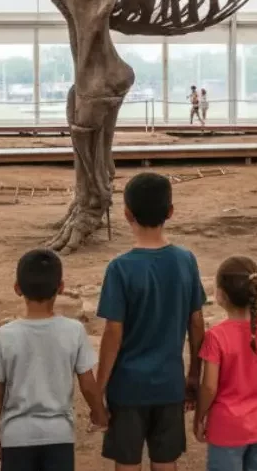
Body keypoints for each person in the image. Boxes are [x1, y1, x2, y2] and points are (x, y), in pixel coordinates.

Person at [96, 172, 206, 471]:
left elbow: (112, 334)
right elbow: (197, 324)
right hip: (169, 385)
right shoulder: (186, 261)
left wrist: (98, 389)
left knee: (127, 462)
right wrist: (195, 373)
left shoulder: (120, 269)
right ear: (170, 212)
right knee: (165, 460)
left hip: (127, 388)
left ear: (126, 213)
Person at [0, 249, 107, 471]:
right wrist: (100, 414)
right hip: (58, 435)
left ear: (17, 288)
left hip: (16, 436)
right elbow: (88, 384)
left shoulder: (4, 335)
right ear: (60, 287)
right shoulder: (74, 331)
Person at [194, 256, 257, 471]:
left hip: (227, 429)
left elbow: (210, 386)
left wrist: (200, 416)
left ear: (220, 294)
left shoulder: (215, 336)